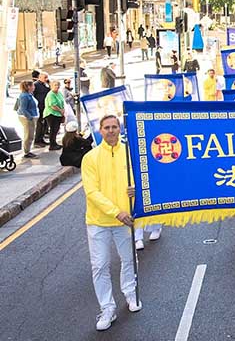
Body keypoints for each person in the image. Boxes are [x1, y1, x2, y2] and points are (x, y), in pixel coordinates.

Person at [81, 115, 142, 331]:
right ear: (100, 130)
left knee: (129, 260)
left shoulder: (130, 152)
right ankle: (107, 308)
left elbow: (143, 179)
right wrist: (116, 212)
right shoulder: (91, 157)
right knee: (100, 266)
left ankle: (130, 293)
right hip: (99, 222)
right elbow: (92, 192)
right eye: (106, 127)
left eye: (114, 127)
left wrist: (137, 190)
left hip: (125, 220)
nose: (111, 131)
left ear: (120, 129)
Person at [16, 80, 40, 159]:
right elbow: (23, 108)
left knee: (31, 134)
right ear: (29, 87)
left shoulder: (29, 94)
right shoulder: (24, 96)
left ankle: (28, 150)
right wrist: (30, 117)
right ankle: (27, 152)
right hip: (27, 118)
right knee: (29, 135)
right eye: (33, 86)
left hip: (32, 116)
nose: (34, 87)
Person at [43, 80, 65, 151]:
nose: (57, 86)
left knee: (56, 129)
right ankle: (52, 145)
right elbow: (52, 105)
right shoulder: (50, 94)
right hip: (51, 113)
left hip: (58, 114)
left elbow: (62, 102)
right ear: (51, 86)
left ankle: (55, 143)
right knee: (53, 129)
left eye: (58, 85)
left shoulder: (59, 93)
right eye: (55, 85)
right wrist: (60, 110)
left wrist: (63, 110)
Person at [33, 72, 50, 147]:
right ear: (40, 77)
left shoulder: (46, 84)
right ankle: (37, 141)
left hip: (46, 107)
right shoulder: (36, 85)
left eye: (47, 77)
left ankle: (41, 138)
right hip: (39, 107)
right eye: (45, 77)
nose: (46, 79)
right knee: (40, 124)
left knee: (45, 124)